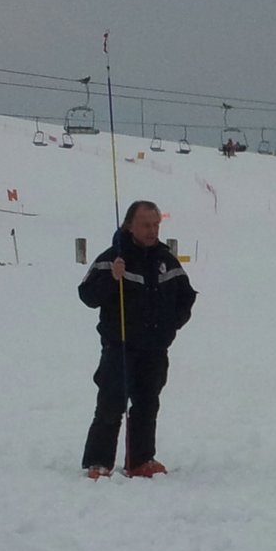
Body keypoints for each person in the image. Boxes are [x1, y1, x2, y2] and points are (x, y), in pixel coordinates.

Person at [78, 200, 196, 479]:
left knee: (147, 405)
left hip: (155, 349)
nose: (152, 230)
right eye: (146, 225)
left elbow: (186, 297)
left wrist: (169, 328)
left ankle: (141, 460)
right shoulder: (112, 258)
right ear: (130, 226)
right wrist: (112, 279)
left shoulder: (166, 260)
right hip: (119, 346)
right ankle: (99, 463)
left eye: (156, 225)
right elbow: (87, 296)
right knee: (110, 404)